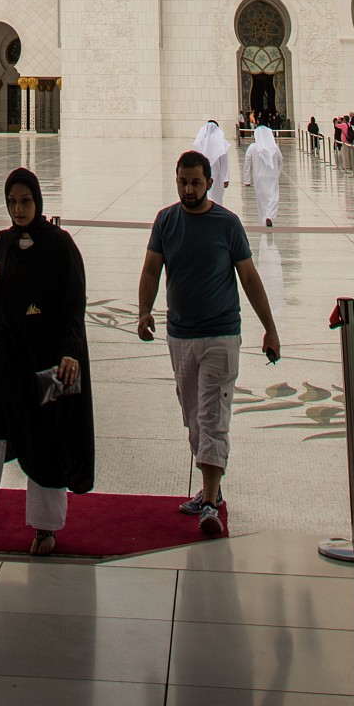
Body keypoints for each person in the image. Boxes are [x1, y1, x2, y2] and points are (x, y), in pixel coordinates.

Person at [137, 150, 281, 541]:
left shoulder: (227, 223)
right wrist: (144, 311)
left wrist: (269, 328)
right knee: (194, 418)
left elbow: (249, 278)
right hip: (181, 335)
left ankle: (210, 501)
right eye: (183, 182)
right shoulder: (166, 221)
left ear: (209, 183)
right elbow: (151, 270)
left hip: (221, 334)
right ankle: (209, 489)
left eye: (195, 183)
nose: (188, 189)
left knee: (213, 414)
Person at [0, 167, 93, 557]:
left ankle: (45, 527)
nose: (18, 209)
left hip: (49, 349)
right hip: (9, 345)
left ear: (38, 201)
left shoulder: (61, 245)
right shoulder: (2, 243)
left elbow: (73, 305)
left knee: (48, 432)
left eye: (26, 201)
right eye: (12, 202)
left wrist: (70, 352)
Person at [242, 117, 283, 228]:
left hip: (258, 177)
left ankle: (264, 219)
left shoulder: (252, 147)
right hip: (272, 177)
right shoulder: (274, 147)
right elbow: (280, 161)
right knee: (273, 198)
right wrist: (277, 174)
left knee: (261, 200)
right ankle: (269, 217)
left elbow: (247, 164)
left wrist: (247, 180)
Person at [192, 119, 230, 205]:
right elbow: (225, 163)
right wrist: (226, 178)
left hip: (204, 173)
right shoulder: (221, 143)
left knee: (209, 196)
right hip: (216, 175)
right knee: (213, 197)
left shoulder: (200, 142)